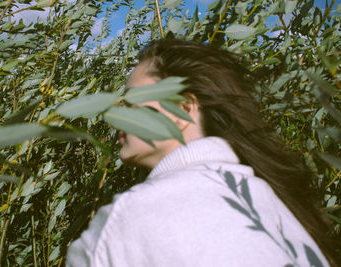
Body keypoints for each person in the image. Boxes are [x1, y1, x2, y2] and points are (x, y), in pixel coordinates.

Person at [66, 38, 339, 266]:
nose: (116, 117)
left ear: (183, 109)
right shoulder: (273, 205)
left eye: (131, 101)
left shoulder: (133, 214)